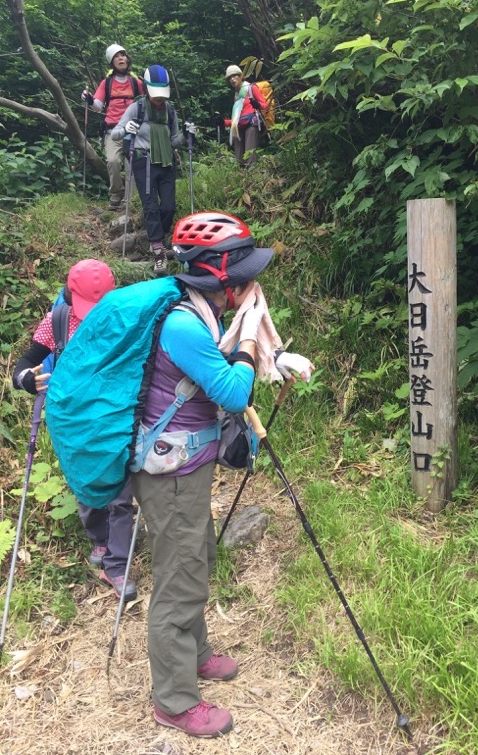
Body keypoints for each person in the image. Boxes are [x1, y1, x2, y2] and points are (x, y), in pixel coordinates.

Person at [131, 211, 314, 738]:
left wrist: (261, 353)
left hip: (186, 466)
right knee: (179, 578)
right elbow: (233, 392)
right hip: (168, 473)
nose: (251, 285)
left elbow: (223, 376)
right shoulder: (185, 325)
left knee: (198, 556)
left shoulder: (201, 311)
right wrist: (248, 346)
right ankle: (174, 699)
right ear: (217, 276)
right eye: (243, 275)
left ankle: (197, 654)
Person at [12, 259, 137, 603]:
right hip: (72, 423)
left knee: (120, 494)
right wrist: (26, 379)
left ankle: (117, 564)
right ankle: (100, 538)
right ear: (69, 293)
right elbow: (26, 363)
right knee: (86, 490)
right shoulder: (59, 320)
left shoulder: (123, 318)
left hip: (115, 416)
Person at [111, 64, 196, 274]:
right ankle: (158, 249)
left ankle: (159, 237)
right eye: (156, 94)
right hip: (144, 160)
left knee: (168, 206)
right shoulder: (136, 108)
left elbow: (174, 140)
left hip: (166, 161)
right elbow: (115, 134)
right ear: (146, 89)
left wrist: (186, 136)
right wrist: (126, 129)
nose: (160, 99)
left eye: (163, 94)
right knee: (150, 205)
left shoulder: (169, 110)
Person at [81, 44, 145, 210]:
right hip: (112, 129)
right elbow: (98, 106)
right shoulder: (107, 83)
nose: (121, 58)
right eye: (117, 56)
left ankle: (131, 200)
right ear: (112, 62)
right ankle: (116, 194)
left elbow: (148, 97)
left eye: (123, 55)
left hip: (133, 129)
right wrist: (89, 99)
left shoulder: (134, 81)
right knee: (113, 161)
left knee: (133, 164)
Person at [221, 64, 269, 167]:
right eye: (230, 78)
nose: (232, 79)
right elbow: (236, 120)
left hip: (251, 125)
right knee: (239, 161)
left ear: (240, 75)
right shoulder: (236, 96)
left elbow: (265, 105)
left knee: (250, 158)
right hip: (238, 127)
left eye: (234, 76)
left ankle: (254, 180)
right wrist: (223, 122)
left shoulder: (251, 88)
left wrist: (257, 104)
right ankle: (243, 182)